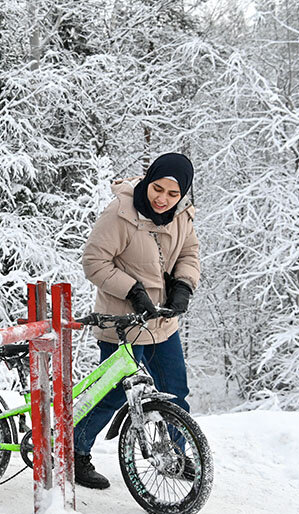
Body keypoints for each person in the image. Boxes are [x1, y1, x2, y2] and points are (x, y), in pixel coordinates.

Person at [77, 152, 200, 489]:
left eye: (173, 194)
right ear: (148, 180)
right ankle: (75, 451)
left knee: (175, 390)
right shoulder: (120, 214)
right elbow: (94, 262)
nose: (162, 199)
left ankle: (172, 453)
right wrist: (133, 291)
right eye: (157, 188)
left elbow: (189, 254)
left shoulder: (181, 217)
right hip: (124, 321)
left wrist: (183, 286)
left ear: (183, 194)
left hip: (161, 322)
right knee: (115, 392)